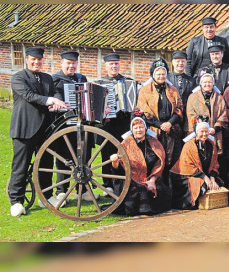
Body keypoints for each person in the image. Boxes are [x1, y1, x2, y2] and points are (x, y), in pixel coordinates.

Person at [9, 47, 68, 216]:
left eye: (39, 60)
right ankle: (16, 201)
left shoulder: (47, 78)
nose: (36, 62)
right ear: (27, 60)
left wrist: (58, 102)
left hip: (45, 130)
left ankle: (46, 196)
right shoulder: (19, 77)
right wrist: (51, 100)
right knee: (20, 166)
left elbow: (56, 92)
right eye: (33, 60)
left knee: (45, 165)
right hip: (24, 129)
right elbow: (29, 96)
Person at [51, 51, 95, 203]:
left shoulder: (81, 78)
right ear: (62, 63)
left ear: (77, 64)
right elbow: (55, 94)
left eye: (73, 63)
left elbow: (89, 96)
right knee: (64, 158)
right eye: (68, 63)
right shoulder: (55, 79)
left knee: (84, 157)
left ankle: (82, 191)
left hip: (81, 124)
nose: (71, 66)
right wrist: (60, 102)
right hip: (65, 125)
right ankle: (61, 191)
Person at [110, 111, 170, 216]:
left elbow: (159, 163)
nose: (138, 130)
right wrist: (114, 162)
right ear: (132, 130)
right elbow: (118, 169)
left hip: (150, 178)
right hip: (131, 180)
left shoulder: (153, 142)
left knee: (161, 191)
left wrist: (152, 180)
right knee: (136, 193)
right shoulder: (125, 144)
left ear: (145, 128)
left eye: (141, 127)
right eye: (136, 128)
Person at [96, 52, 137, 195]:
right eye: (111, 64)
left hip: (124, 122)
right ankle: (108, 184)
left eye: (116, 64)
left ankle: (123, 180)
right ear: (106, 66)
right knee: (107, 153)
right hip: (108, 124)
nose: (114, 66)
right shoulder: (99, 84)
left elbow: (134, 102)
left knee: (125, 151)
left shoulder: (129, 81)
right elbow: (95, 106)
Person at [136, 58, 184, 176]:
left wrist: (169, 123)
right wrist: (159, 125)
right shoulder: (144, 91)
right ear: (153, 74)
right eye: (158, 74)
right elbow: (144, 112)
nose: (161, 76)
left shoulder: (172, 90)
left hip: (171, 130)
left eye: (163, 74)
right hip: (154, 130)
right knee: (156, 160)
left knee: (172, 161)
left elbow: (179, 108)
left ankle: (171, 190)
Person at [170, 116, 222, 210]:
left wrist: (212, 178)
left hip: (204, 174)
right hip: (187, 174)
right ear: (196, 132)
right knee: (201, 184)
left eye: (206, 131)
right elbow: (187, 166)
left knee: (217, 184)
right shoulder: (189, 145)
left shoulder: (211, 144)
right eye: (201, 131)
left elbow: (215, 164)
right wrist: (204, 177)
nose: (204, 134)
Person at [186, 72, 228, 180]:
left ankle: (214, 179)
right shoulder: (193, 97)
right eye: (205, 82)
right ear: (200, 83)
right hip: (199, 133)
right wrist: (201, 127)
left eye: (210, 82)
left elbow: (223, 115)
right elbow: (190, 113)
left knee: (215, 158)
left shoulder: (219, 98)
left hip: (215, 133)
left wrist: (215, 128)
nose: (207, 84)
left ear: (213, 83)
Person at [168, 50, 196, 115]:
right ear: (172, 62)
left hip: (186, 115)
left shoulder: (191, 81)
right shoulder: (167, 79)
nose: (180, 63)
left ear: (186, 63)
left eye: (183, 61)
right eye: (178, 61)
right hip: (170, 115)